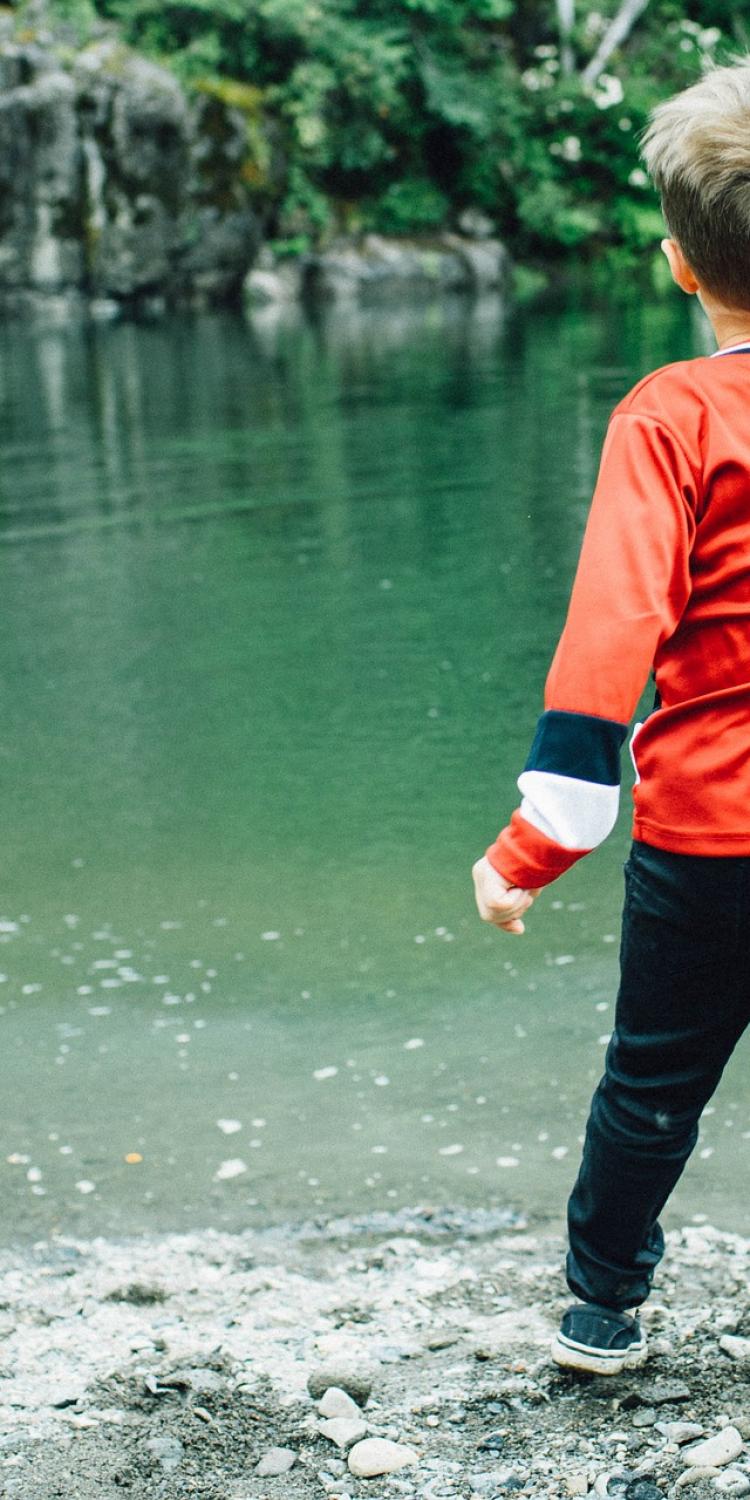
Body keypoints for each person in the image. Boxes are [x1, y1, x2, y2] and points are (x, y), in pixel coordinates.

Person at [472, 57, 750, 1377]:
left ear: (677, 265)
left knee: (649, 1086)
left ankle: (599, 1310)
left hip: (707, 838)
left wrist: (535, 843)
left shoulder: (669, 417)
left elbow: (610, 638)